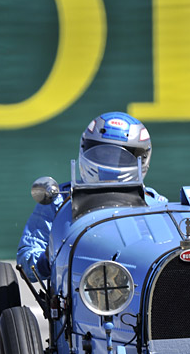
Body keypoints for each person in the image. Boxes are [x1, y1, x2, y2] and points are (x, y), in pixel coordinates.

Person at [17, 111, 167, 282]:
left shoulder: (154, 204)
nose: (110, 163)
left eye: (121, 157)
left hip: (133, 289)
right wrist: (48, 257)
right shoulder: (59, 199)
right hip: (76, 286)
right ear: (84, 149)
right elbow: (26, 260)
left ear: (142, 159)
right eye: (103, 153)